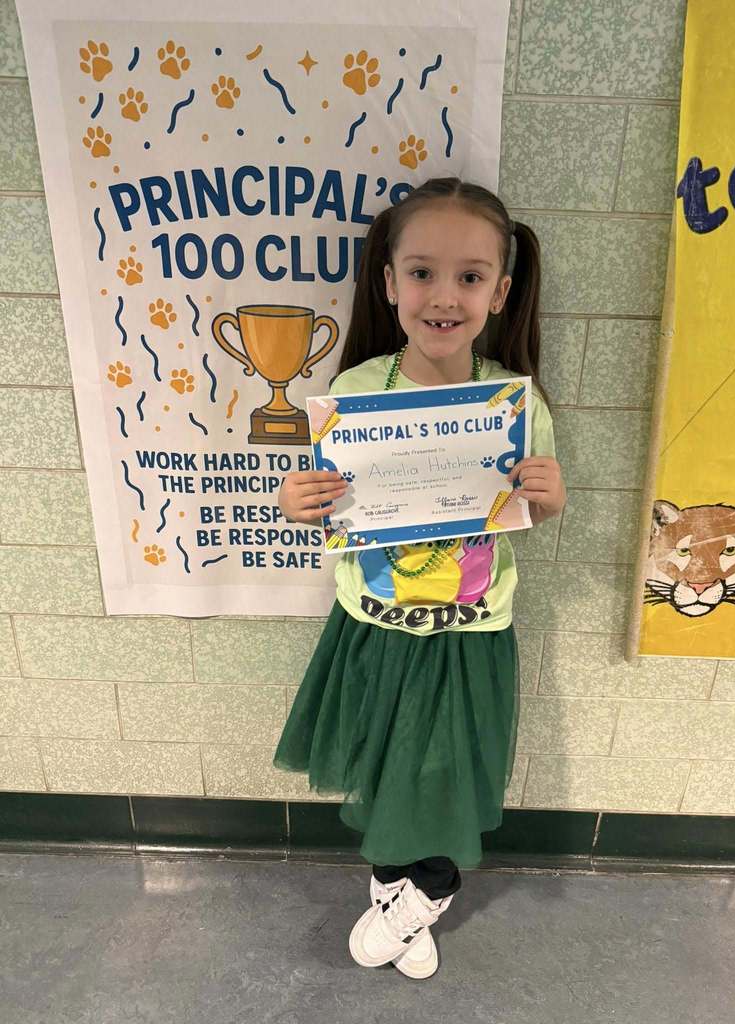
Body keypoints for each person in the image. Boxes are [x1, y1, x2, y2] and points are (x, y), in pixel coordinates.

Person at [273, 177, 566, 980]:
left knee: (441, 779)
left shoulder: (516, 400)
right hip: (371, 627)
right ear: (389, 282)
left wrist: (549, 501)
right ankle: (399, 902)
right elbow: (328, 508)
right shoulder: (355, 392)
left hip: (466, 636)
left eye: (470, 276)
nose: (445, 296)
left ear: (500, 292)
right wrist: (297, 501)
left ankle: (422, 895)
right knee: (380, 768)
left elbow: (524, 517)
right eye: (422, 272)